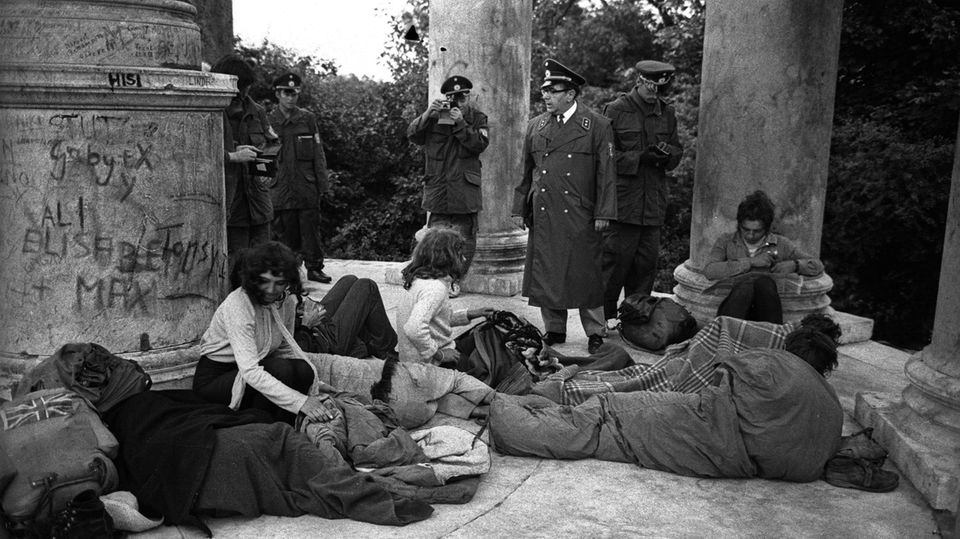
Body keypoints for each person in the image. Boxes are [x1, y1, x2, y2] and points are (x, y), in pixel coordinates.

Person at [489, 326, 843, 483]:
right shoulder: (831, 406)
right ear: (824, 367)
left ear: (791, 348)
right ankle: (527, 405)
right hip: (731, 457)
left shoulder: (775, 363)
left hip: (700, 425)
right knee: (609, 429)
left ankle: (502, 414)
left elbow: (721, 373)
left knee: (605, 416)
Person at [512, 59, 617, 354]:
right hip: (545, 211)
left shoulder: (597, 125)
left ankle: (595, 332)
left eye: (553, 91)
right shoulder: (536, 125)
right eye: (544, 91)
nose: (546, 96)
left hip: (581, 213)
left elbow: (607, 174)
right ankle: (555, 329)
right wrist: (519, 208)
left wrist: (604, 212)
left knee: (586, 273)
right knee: (548, 272)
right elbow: (526, 171)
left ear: (570, 94)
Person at [192, 241, 335, 425]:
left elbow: (284, 348)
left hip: (253, 370)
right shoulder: (239, 303)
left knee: (303, 370)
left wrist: (314, 384)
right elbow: (250, 370)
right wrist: (301, 402)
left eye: (279, 283)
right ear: (253, 278)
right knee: (281, 370)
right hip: (216, 379)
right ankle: (266, 425)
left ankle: (285, 425)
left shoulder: (286, 302)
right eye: (264, 281)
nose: (271, 290)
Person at [600, 60, 683, 328]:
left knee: (645, 269)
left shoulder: (667, 113)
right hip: (624, 204)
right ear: (639, 81)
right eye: (650, 87)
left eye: (659, 89)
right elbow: (605, 157)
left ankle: (634, 323)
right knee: (614, 267)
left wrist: (667, 156)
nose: (654, 94)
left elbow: (677, 149)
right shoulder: (616, 110)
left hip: (653, 205)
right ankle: (603, 323)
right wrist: (639, 158)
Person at [407, 75, 489, 274]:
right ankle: (436, 277)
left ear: (468, 97)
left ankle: (455, 280)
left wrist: (461, 123)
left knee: (464, 242)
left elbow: (479, 145)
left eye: (462, 98)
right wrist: (427, 114)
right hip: (439, 191)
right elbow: (412, 135)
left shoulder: (478, 118)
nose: (457, 103)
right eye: (453, 98)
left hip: (463, 192)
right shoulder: (435, 118)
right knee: (435, 242)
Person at [703, 190, 824, 323]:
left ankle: (770, 333)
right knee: (746, 286)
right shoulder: (726, 241)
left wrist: (795, 265)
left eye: (757, 231)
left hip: (765, 312)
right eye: (745, 229)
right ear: (739, 225)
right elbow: (710, 270)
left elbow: (817, 265)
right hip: (734, 310)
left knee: (764, 283)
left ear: (766, 228)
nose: (750, 235)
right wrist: (750, 262)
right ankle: (727, 332)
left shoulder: (781, 244)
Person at [210, 54, 279, 285]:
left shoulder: (256, 111)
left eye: (247, 87)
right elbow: (199, 155)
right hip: (231, 205)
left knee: (264, 266)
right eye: (241, 86)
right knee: (236, 268)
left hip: (257, 203)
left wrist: (266, 170)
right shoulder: (211, 110)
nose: (244, 93)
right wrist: (232, 156)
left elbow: (271, 144)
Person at [269, 72, 332, 284]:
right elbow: (263, 157)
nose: (291, 97)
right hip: (280, 188)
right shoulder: (269, 121)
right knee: (285, 234)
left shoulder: (307, 119)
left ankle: (314, 268)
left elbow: (318, 153)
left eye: (294, 93)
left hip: (306, 186)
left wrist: (322, 184)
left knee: (311, 230)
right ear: (278, 94)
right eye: (286, 93)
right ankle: (289, 272)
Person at [396, 228, 493, 365]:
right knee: (492, 349)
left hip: (413, 359)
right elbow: (413, 328)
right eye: (460, 255)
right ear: (447, 258)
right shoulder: (435, 288)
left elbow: (437, 320)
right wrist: (439, 354)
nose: (464, 259)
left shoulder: (421, 280)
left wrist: (472, 314)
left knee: (484, 335)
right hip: (428, 364)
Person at [296, 274, 399, 360]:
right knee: (366, 286)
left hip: (314, 329)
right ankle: (384, 348)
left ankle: (368, 339)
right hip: (323, 342)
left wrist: (298, 311)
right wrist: (306, 325)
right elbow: (298, 349)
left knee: (349, 280)